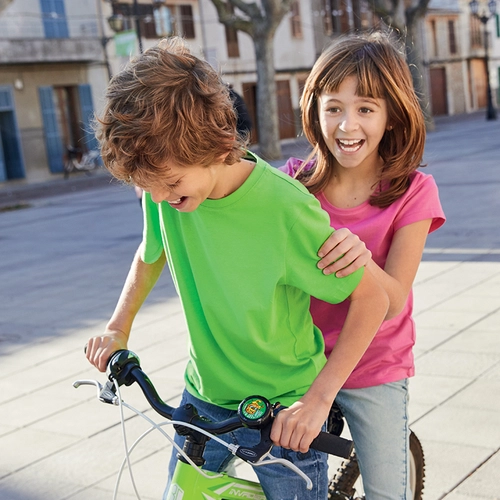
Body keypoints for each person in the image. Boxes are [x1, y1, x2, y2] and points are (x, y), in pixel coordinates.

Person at [85, 36, 389, 500]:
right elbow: (151, 254)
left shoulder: (284, 210)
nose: (162, 198)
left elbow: (373, 298)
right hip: (202, 397)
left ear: (210, 143)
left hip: (280, 411)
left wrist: (318, 400)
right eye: (150, 187)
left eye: (169, 183)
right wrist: (117, 327)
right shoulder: (163, 192)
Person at [279, 31, 445, 499]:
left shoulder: (414, 191)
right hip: (299, 360)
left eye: (365, 109)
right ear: (315, 110)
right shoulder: (293, 184)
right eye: (334, 107)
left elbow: (391, 302)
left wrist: (360, 259)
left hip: (375, 363)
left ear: (391, 116)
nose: (347, 125)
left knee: (388, 493)